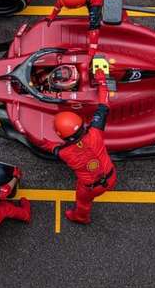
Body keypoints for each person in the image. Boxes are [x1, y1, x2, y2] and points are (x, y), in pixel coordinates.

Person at [27, 70, 115, 224]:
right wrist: (102, 82)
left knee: (83, 202)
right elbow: (104, 106)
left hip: (90, 187)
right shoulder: (95, 133)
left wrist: (28, 133)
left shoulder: (65, 153)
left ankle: (80, 217)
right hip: (111, 177)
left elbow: (48, 146)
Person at [46, 0, 118, 56]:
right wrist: (51, 16)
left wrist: (92, 51)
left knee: (113, 3)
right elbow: (61, 1)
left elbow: (94, 27)